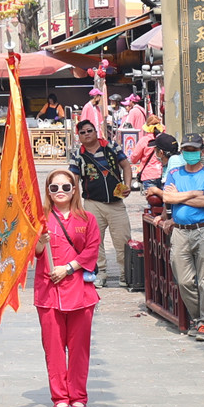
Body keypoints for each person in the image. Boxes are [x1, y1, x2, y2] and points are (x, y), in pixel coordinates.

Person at [38, 168, 101, 407]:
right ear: (48, 191)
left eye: (66, 187)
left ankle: (78, 395)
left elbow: (92, 250)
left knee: (79, 348)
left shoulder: (87, 219)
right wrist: (40, 242)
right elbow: (31, 253)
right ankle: (60, 396)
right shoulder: (40, 219)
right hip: (48, 291)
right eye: (54, 188)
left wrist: (68, 268)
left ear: (74, 190)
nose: (60, 191)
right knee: (53, 348)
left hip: (80, 291)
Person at [160, 134, 204, 340]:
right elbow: (167, 197)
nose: (190, 153)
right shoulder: (174, 173)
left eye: (194, 150)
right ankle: (201, 318)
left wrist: (179, 197)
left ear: (202, 151)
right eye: (186, 150)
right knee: (184, 281)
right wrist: (194, 193)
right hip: (180, 231)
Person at [72, 118, 132, 284]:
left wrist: (127, 185)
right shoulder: (78, 155)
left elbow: (126, 166)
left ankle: (126, 275)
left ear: (95, 132)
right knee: (94, 242)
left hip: (116, 203)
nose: (87, 134)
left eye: (89, 131)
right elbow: (74, 179)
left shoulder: (111, 147)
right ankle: (100, 274)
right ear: (79, 136)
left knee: (123, 240)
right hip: (92, 204)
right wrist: (75, 204)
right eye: (83, 132)